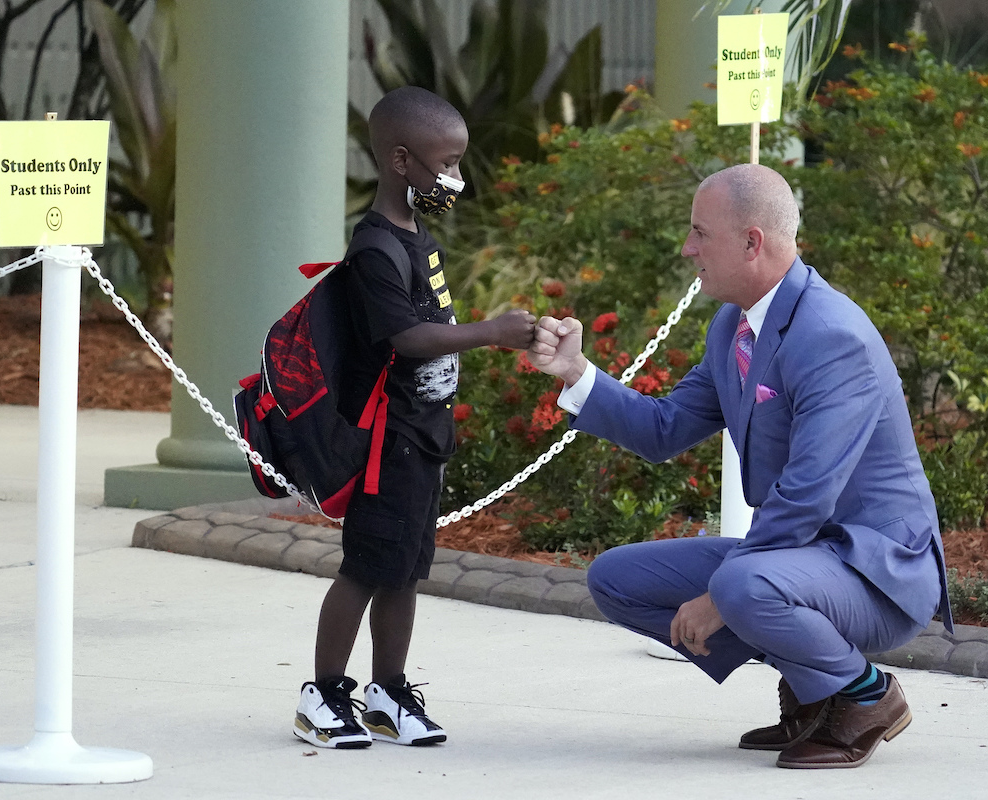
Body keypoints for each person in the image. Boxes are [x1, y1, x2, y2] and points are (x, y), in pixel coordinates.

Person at [528, 164, 952, 769]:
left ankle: (864, 696)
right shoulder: (734, 324)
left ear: (752, 242)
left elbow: (806, 495)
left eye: (701, 232)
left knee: (738, 584)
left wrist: (721, 602)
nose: (688, 247)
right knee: (616, 580)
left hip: (878, 573)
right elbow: (663, 429)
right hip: (804, 561)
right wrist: (575, 372)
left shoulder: (832, 335)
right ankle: (815, 695)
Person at [293, 86, 536, 749]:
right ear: (402, 161)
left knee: (405, 568)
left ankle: (388, 693)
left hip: (424, 435)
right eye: (446, 164)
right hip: (387, 441)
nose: (455, 179)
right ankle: (323, 696)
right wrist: (490, 331)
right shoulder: (375, 246)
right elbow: (403, 338)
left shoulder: (417, 235)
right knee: (366, 568)